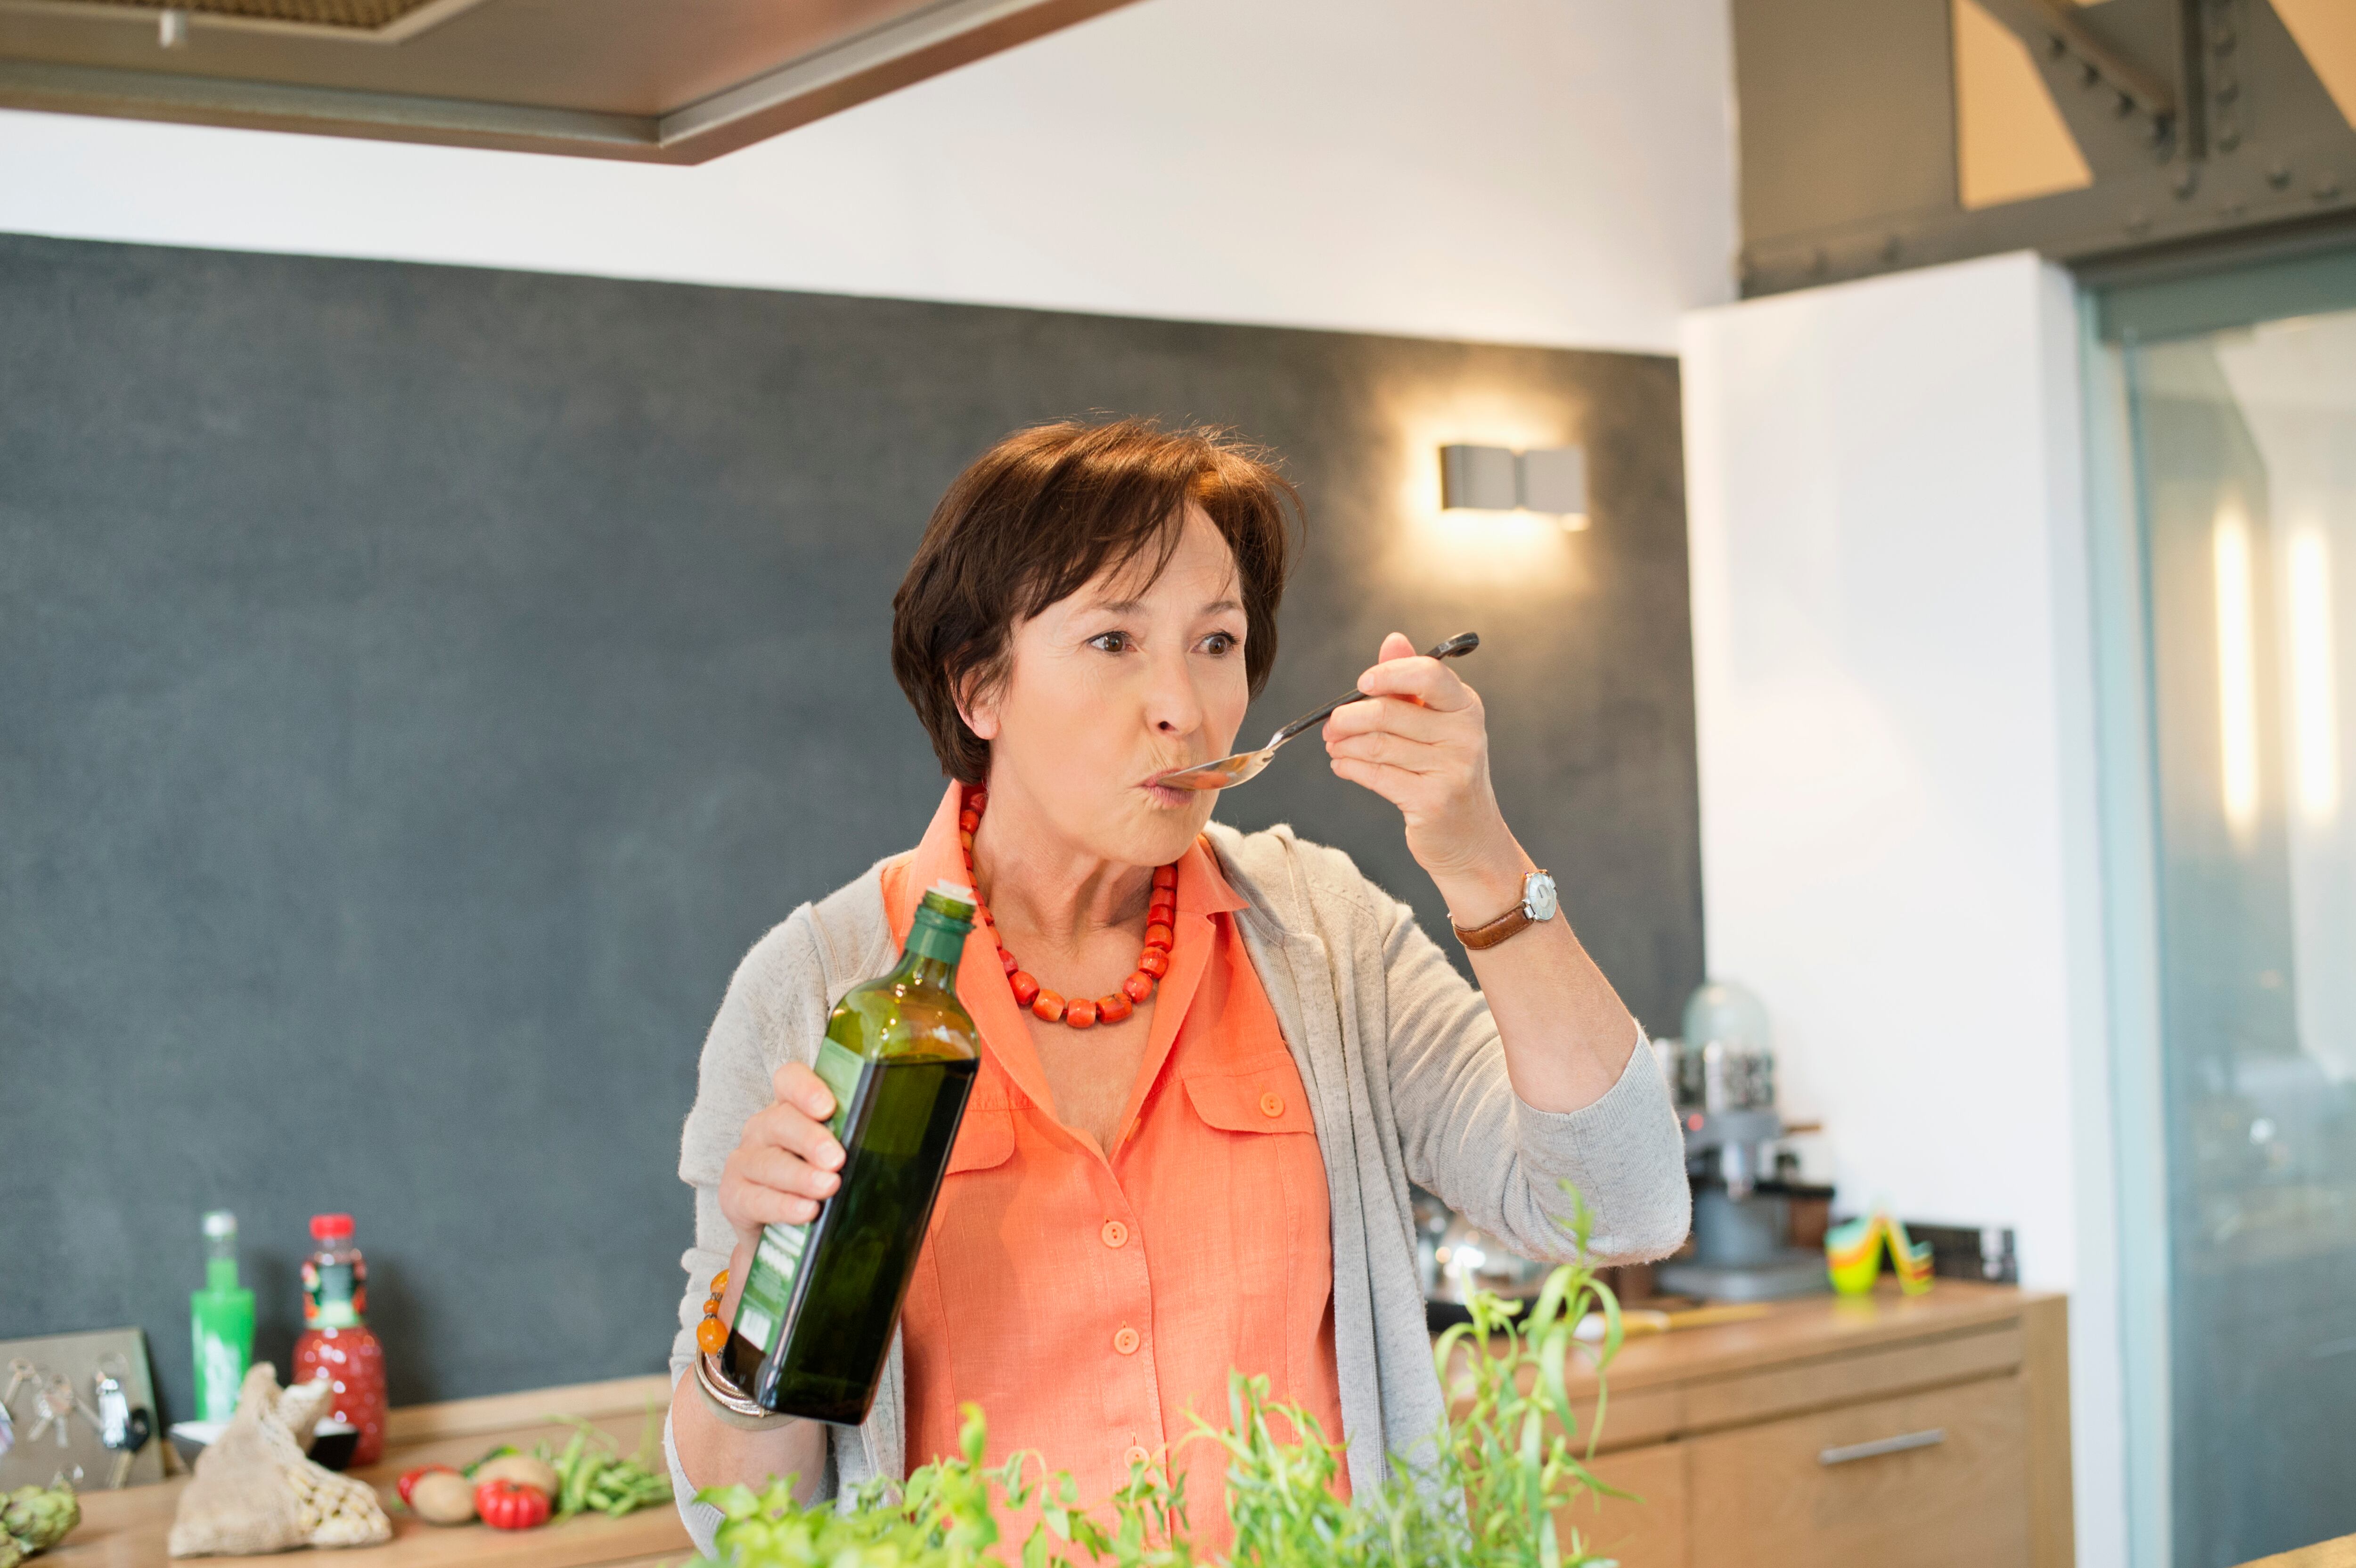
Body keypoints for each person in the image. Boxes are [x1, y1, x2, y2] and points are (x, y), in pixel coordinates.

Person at [663, 418, 1688, 1554]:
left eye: (1215, 642)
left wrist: (1481, 857)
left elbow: (1623, 1203)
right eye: (1112, 640)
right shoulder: (811, 989)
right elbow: (737, 1518)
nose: (1185, 705)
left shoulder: (1325, 931)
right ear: (978, 689)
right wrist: (770, 1274)